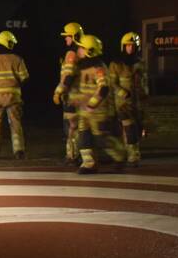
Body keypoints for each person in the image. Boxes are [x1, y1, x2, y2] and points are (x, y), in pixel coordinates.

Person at [72, 34, 126, 174]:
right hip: (85, 110)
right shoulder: (82, 67)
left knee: (101, 137)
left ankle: (120, 155)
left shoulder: (99, 68)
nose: (78, 50)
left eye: (81, 48)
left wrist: (92, 104)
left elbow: (104, 88)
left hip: (98, 110)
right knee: (83, 136)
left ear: (89, 51)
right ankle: (89, 164)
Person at [0, 30, 30, 159]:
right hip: (13, 97)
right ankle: (19, 151)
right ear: (7, 43)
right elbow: (25, 78)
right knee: (15, 123)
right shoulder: (18, 59)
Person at [109, 32, 148, 167]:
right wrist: (121, 92)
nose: (130, 48)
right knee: (129, 128)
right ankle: (132, 156)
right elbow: (111, 83)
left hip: (138, 103)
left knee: (137, 129)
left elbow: (144, 80)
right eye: (128, 46)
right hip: (123, 103)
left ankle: (130, 152)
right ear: (123, 47)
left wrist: (145, 93)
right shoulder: (116, 64)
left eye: (132, 46)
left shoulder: (140, 63)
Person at [52, 22, 83, 165]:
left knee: (71, 127)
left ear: (75, 36)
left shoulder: (71, 53)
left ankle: (72, 156)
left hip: (71, 96)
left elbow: (68, 76)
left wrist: (58, 91)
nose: (66, 39)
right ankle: (78, 154)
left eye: (68, 36)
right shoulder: (82, 52)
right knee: (77, 126)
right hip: (80, 96)